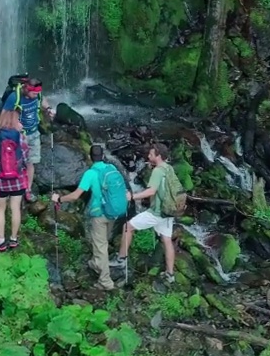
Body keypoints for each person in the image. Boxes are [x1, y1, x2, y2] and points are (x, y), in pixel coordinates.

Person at [50, 145, 128, 291]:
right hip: (114, 212)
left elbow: (75, 196)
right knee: (103, 240)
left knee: (101, 246)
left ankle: (105, 282)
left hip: (99, 214)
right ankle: (96, 262)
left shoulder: (91, 173)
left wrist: (59, 199)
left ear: (90, 156)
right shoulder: (112, 169)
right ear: (103, 155)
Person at [110, 143, 178, 284]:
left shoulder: (158, 171)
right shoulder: (168, 168)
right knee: (167, 240)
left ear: (158, 156)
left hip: (157, 212)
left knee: (127, 227)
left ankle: (121, 259)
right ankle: (170, 274)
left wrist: (132, 196)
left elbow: (151, 191)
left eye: (151, 154)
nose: (148, 156)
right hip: (168, 211)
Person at [0, 126, 30, 252]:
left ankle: (1, 240)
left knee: (0, 209)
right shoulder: (20, 137)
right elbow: (26, 157)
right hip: (18, 181)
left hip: (0, 180)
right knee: (15, 208)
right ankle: (14, 239)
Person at [17, 79, 53, 202]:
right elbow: (8, 114)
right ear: (27, 90)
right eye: (34, 93)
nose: (36, 95)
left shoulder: (37, 95)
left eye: (38, 93)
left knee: (30, 163)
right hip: (21, 136)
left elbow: (43, 100)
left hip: (34, 133)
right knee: (17, 161)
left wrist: (48, 109)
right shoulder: (17, 98)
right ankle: (15, 187)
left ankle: (27, 189)